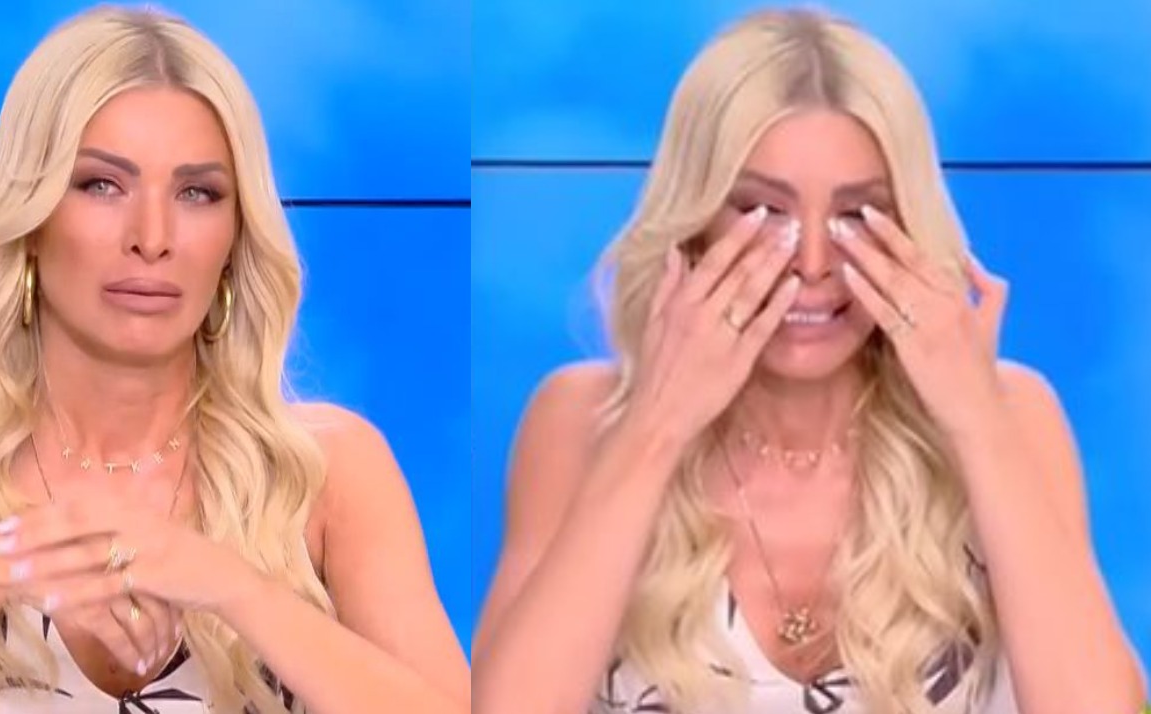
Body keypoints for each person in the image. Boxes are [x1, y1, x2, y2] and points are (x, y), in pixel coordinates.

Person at [0, 6, 468, 713]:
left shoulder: (328, 471)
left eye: (197, 193)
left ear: (235, 238)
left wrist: (236, 588)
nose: (153, 237)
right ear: (31, 217)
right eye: (102, 185)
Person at [471, 8, 1145, 714]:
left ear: (908, 228)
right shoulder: (580, 419)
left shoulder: (1013, 415)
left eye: (858, 215)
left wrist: (976, 420)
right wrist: (658, 427)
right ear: (696, 224)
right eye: (765, 212)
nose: (815, 263)